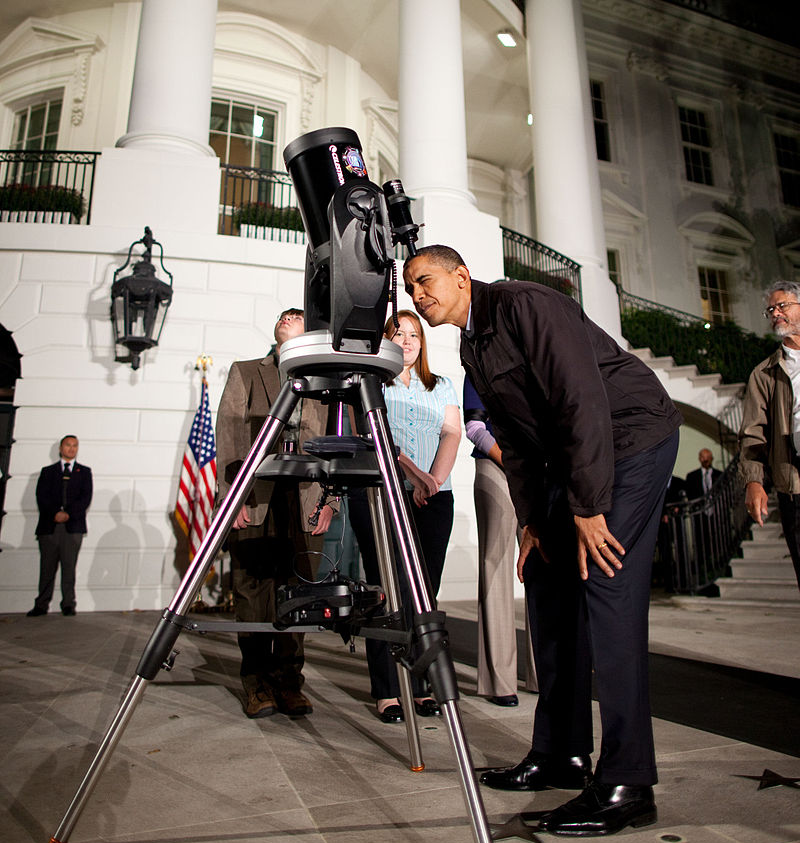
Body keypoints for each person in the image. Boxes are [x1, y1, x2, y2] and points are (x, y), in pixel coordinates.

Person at [404, 245, 681, 836]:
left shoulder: (527, 305)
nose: (417, 294)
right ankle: (563, 753)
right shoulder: (470, 346)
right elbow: (517, 440)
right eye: (409, 288)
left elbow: (580, 400)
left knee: (606, 586)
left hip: (631, 438)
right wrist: (534, 522)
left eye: (425, 280)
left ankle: (629, 782)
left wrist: (586, 507)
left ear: (461, 276)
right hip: (570, 461)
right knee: (550, 591)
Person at [216, 307, 337, 718]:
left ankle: (289, 683)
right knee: (252, 591)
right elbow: (230, 434)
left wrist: (331, 500)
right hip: (255, 496)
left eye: (299, 315)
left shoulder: (327, 379)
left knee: (299, 592)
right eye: (285, 314)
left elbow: (338, 439)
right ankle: (256, 683)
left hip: (305, 499)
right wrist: (232, 497)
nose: (289, 315)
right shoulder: (248, 371)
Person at [347, 309, 461, 723]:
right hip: (382, 494)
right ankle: (387, 690)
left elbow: (452, 432)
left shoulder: (442, 385)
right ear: (386, 340)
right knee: (387, 589)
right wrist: (414, 475)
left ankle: (419, 685)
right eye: (400, 333)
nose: (409, 341)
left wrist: (434, 479)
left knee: (423, 593)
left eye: (415, 334)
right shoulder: (371, 382)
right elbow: (373, 435)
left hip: (434, 497)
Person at [463, 374, 537, 706]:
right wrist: (511, 463)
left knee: (541, 569)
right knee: (496, 567)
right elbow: (474, 428)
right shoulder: (479, 365)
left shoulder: (536, 362)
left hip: (540, 471)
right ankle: (499, 680)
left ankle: (544, 673)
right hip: (498, 466)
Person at [739, 279, 800, 591]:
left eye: (782, 305)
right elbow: (752, 434)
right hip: (795, 486)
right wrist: (754, 482)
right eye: (771, 309)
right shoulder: (764, 373)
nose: (776, 313)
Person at [27, 435, 93, 617]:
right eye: (68, 445)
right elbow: (42, 497)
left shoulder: (84, 472)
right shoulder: (47, 472)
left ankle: (68, 604)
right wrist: (54, 513)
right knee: (47, 567)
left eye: (75, 446)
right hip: (50, 526)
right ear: (60, 448)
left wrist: (68, 514)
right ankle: (41, 604)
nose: (71, 449)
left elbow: (85, 498)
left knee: (69, 567)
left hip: (73, 528)